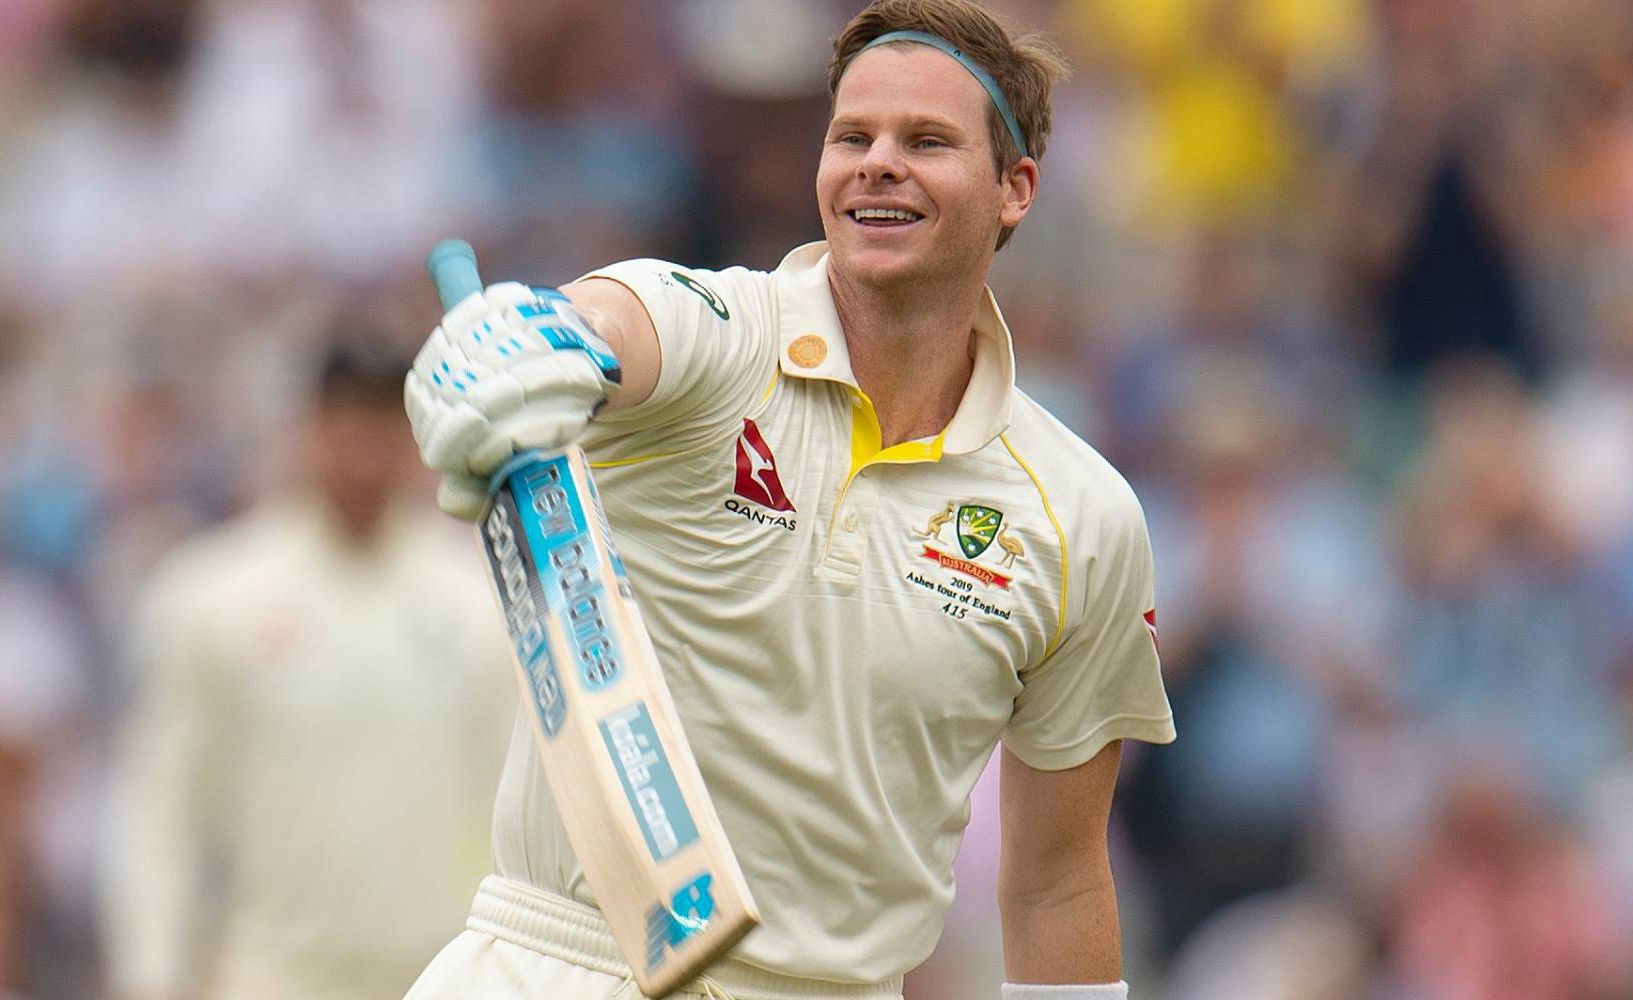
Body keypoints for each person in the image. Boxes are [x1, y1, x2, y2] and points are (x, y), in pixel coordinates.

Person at [403, 2, 1175, 997]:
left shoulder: (1081, 516)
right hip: (562, 961)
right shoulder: (722, 334)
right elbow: (615, 324)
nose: (876, 162)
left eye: (926, 140)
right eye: (851, 136)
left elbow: (1056, 881)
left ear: (1014, 189)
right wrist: (539, 336)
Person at [100, 335, 515, 1000]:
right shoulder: (214, 596)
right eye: (346, 420)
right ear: (310, 430)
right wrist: (151, 972)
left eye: (382, 424)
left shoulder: (479, 604)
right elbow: (163, 807)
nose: (363, 448)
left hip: (440, 970)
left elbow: (514, 806)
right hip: (273, 973)